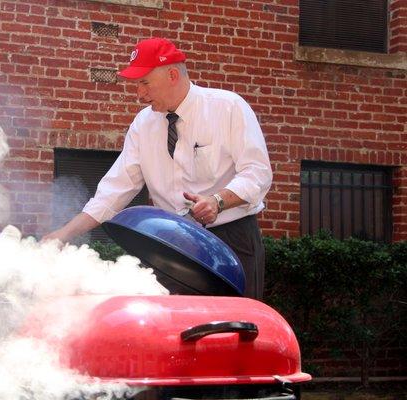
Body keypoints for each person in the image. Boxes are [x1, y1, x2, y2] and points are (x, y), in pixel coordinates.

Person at [43, 37, 272, 299]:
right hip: (170, 243)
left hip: (231, 238)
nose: (139, 93)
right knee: (173, 331)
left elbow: (258, 174)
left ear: (172, 74)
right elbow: (113, 191)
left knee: (234, 330)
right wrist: (64, 234)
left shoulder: (228, 107)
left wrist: (217, 201)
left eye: (144, 82)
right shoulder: (143, 124)